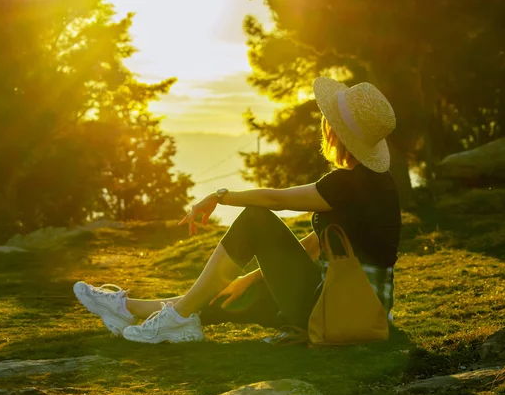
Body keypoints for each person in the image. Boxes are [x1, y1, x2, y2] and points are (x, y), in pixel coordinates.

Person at [74, 76, 401, 344]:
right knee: (223, 294)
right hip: (350, 305)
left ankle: (167, 317)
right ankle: (127, 309)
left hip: (341, 309)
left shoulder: (350, 184)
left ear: (337, 133)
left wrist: (221, 196)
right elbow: (315, 246)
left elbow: (277, 201)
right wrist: (251, 276)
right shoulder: (374, 183)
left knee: (256, 220)